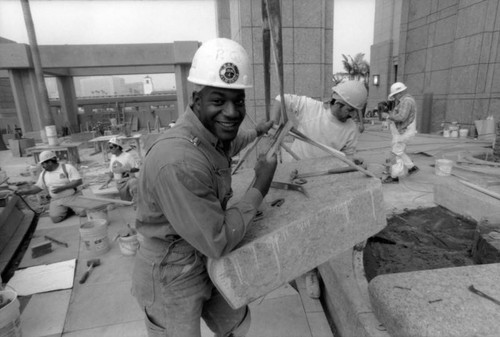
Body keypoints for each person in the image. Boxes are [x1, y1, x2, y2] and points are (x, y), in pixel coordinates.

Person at [131, 38, 277, 337]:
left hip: (202, 255)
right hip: (172, 269)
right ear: (196, 100)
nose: (232, 112)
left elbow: (229, 144)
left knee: (234, 322)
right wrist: (260, 185)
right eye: (218, 101)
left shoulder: (207, 134)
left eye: (238, 101)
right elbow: (218, 239)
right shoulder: (178, 161)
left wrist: (257, 131)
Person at [270, 80, 368, 299]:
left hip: (321, 180)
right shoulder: (310, 108)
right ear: (339, 101)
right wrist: (274, 122)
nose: (351, 114)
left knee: (315, 227)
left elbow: (347, 158)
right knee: (292, 223)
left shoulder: (350, 130)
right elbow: (280, 98)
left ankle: (311, 270)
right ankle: (294, 264)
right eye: (350, 109)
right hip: (294, 176)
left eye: (354, 111)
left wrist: (354, 162)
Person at [17, 150, 84, 223]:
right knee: (55, 218)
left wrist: (62, 188)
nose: (42, 166)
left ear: (50, 162)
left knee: (83, 212)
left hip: (72, 196)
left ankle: (71, 207)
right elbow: (38, 187)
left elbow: (78, 181)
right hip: (56, 199)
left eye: (43, 164)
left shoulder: (67, 168)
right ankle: (68, 209)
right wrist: (24, 192)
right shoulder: (43, 174)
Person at [382, 82, 419, 183]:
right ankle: (411, 167)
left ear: (398, 93)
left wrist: (388, 116)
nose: (395, 98)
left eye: (394, 95)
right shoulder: (406, 101)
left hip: (404, 133)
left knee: (395, 154)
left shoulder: (406, 101)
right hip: (404, 132)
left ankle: (394, 176)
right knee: (399, 151)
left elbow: (402, 117)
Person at [100, 137, 139, 202]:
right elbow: (111, 171)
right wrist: (107, 182)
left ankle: (138, 202)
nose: (110, 149)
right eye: (109, 147)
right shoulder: (113, 157)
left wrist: (127, 169)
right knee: (126, 202)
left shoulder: (127, 156)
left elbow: (137, 169)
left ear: (117, 147)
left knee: (134, 183)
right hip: (119, 184)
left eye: (111, 147)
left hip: (128, 180)